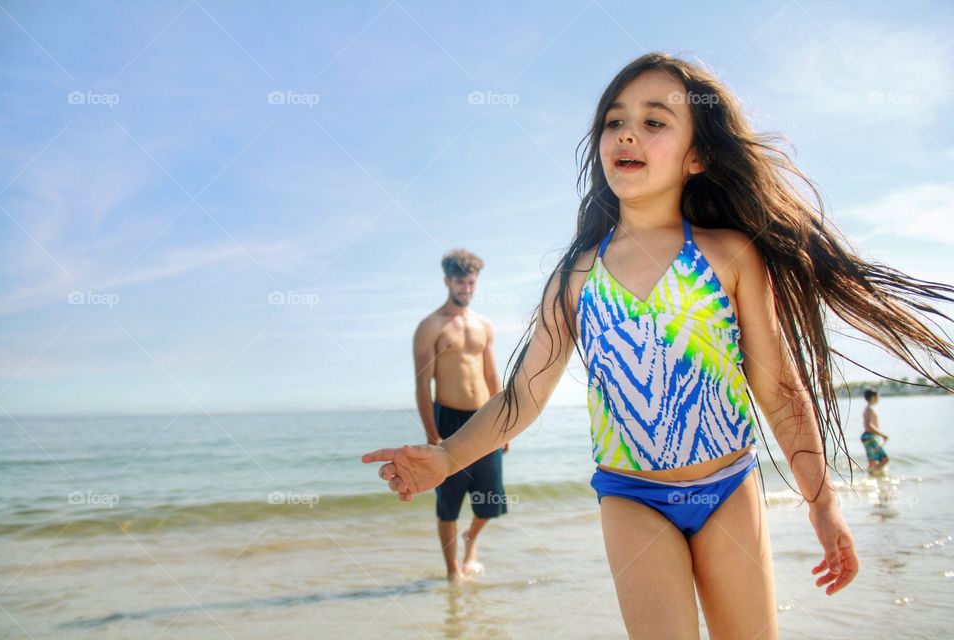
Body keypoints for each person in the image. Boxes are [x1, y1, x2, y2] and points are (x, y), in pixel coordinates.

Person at [363, 52, 954, 637]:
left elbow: (778, 389)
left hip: (728, 489)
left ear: (697, 155)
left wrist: (822, 504)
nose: (627, 133)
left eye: (654, 121)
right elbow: (523, 396)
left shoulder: (730, 256)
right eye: (614, 121)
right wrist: (447, 459)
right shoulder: (576, 278)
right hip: (630, 496)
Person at [412, 248, 508, 581]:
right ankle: (453, 571)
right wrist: (431, 433)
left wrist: (504, 427)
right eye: (460, 282)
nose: (466, 289)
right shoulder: (430, 326)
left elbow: (493, 378)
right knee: (449, 502)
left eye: (471, 283)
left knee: (490, 501)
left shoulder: (483, 325)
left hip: (484, 420)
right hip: (448, 421)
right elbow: (423, 384)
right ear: (447, 281)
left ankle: (471, 542)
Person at [861, 389, 889, 471]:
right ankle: (872, 473)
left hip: (868, 436)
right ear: (873, 397)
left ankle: (871, 477)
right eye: (877, 396)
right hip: (869, 436)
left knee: (872, 462)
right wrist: (883, 435)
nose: (878, 398)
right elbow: (869, 426)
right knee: (885, 459)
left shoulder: (868, 408)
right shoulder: (870, 409)